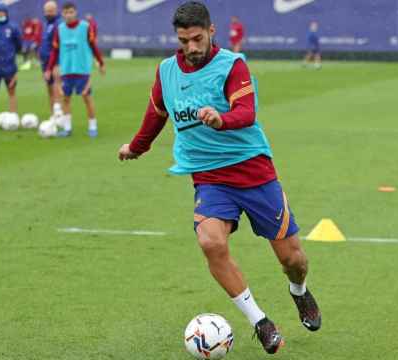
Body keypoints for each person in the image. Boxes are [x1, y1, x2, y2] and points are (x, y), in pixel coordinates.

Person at [118, 1, 321, 355]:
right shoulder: (167, 70)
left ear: (211, 31)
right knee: (210, 242)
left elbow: (246, 111)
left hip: (254, 173)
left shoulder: (232, 66)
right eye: (184, 41)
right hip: (210, 179)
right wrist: (137, 147)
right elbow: (156, 113)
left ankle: (300, 293)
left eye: (197, 39)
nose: (191, 48)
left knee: (293, 261)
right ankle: (261, 322)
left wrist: (221, 119)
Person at [45, 2, 105, 138]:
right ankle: (67, 128)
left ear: (75, 12)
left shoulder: (85, 27)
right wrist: (49, 68)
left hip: (82, 70)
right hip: (66, 71)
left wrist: (101, 62)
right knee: (65, 99)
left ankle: (92, 126)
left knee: (87, 98)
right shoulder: (59, 29)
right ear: (62, 14)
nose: (68, 15)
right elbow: (54, 51)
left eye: (71, 12)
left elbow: (93, 46)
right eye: (66, 13)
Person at [40, 1, 63, 114]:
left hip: (55, 62)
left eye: (50, 11)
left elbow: (59, 45)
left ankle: (60, 116)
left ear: (56, 10)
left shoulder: (58, 24)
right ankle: (53, 116)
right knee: (50, 90)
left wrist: (58, 63)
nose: (48, 13)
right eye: (46, 11)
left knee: (57, 89)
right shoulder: (47, 24)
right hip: (45, 62)